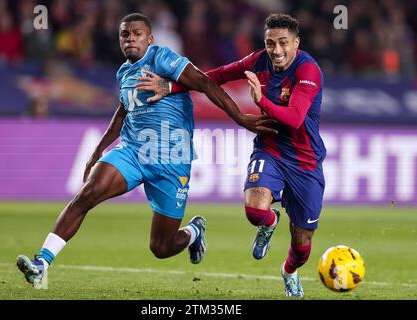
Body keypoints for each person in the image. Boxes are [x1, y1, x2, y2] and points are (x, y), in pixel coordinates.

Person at [16, 13, 277, 288]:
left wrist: (239, 118)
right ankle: (41, 263)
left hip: (172, 160)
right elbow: (122, 111)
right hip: (134, 152)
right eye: (124, 34)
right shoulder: (124, 72)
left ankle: (193, 232)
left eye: (136, 33)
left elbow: (205, 83)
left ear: (149, 38)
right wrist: (99, 149)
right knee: (87, 195)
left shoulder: (163, 58)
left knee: (161, 247)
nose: (130, 38)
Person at [135, 13, 326, 298]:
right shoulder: (258, 61)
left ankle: (289, 271)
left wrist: (262, 102)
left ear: (296, 43)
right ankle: (269, 222)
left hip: (305, 160)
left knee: (301, 245)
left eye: (283, 43)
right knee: (254, 211)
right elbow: (216, 76)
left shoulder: (307, 70)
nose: (276, 50)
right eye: (270, 43)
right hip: (270, 148)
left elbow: (296, 118)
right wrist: (171, 86)